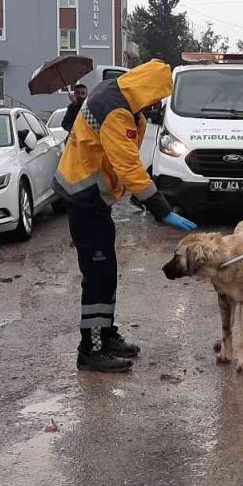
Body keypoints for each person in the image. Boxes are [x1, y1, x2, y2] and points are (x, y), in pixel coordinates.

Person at [53, 60, 198, 373]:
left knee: (106, 273)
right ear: (147, 88)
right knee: (98, 275)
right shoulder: (116, 110)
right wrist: (161, 209)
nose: (156, 103)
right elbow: (127, 165)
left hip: (91, 197)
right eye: (157, 96)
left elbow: (125, 159)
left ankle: (105, 336)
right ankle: (91, 350)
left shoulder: (118, 97)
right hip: (84, 197)